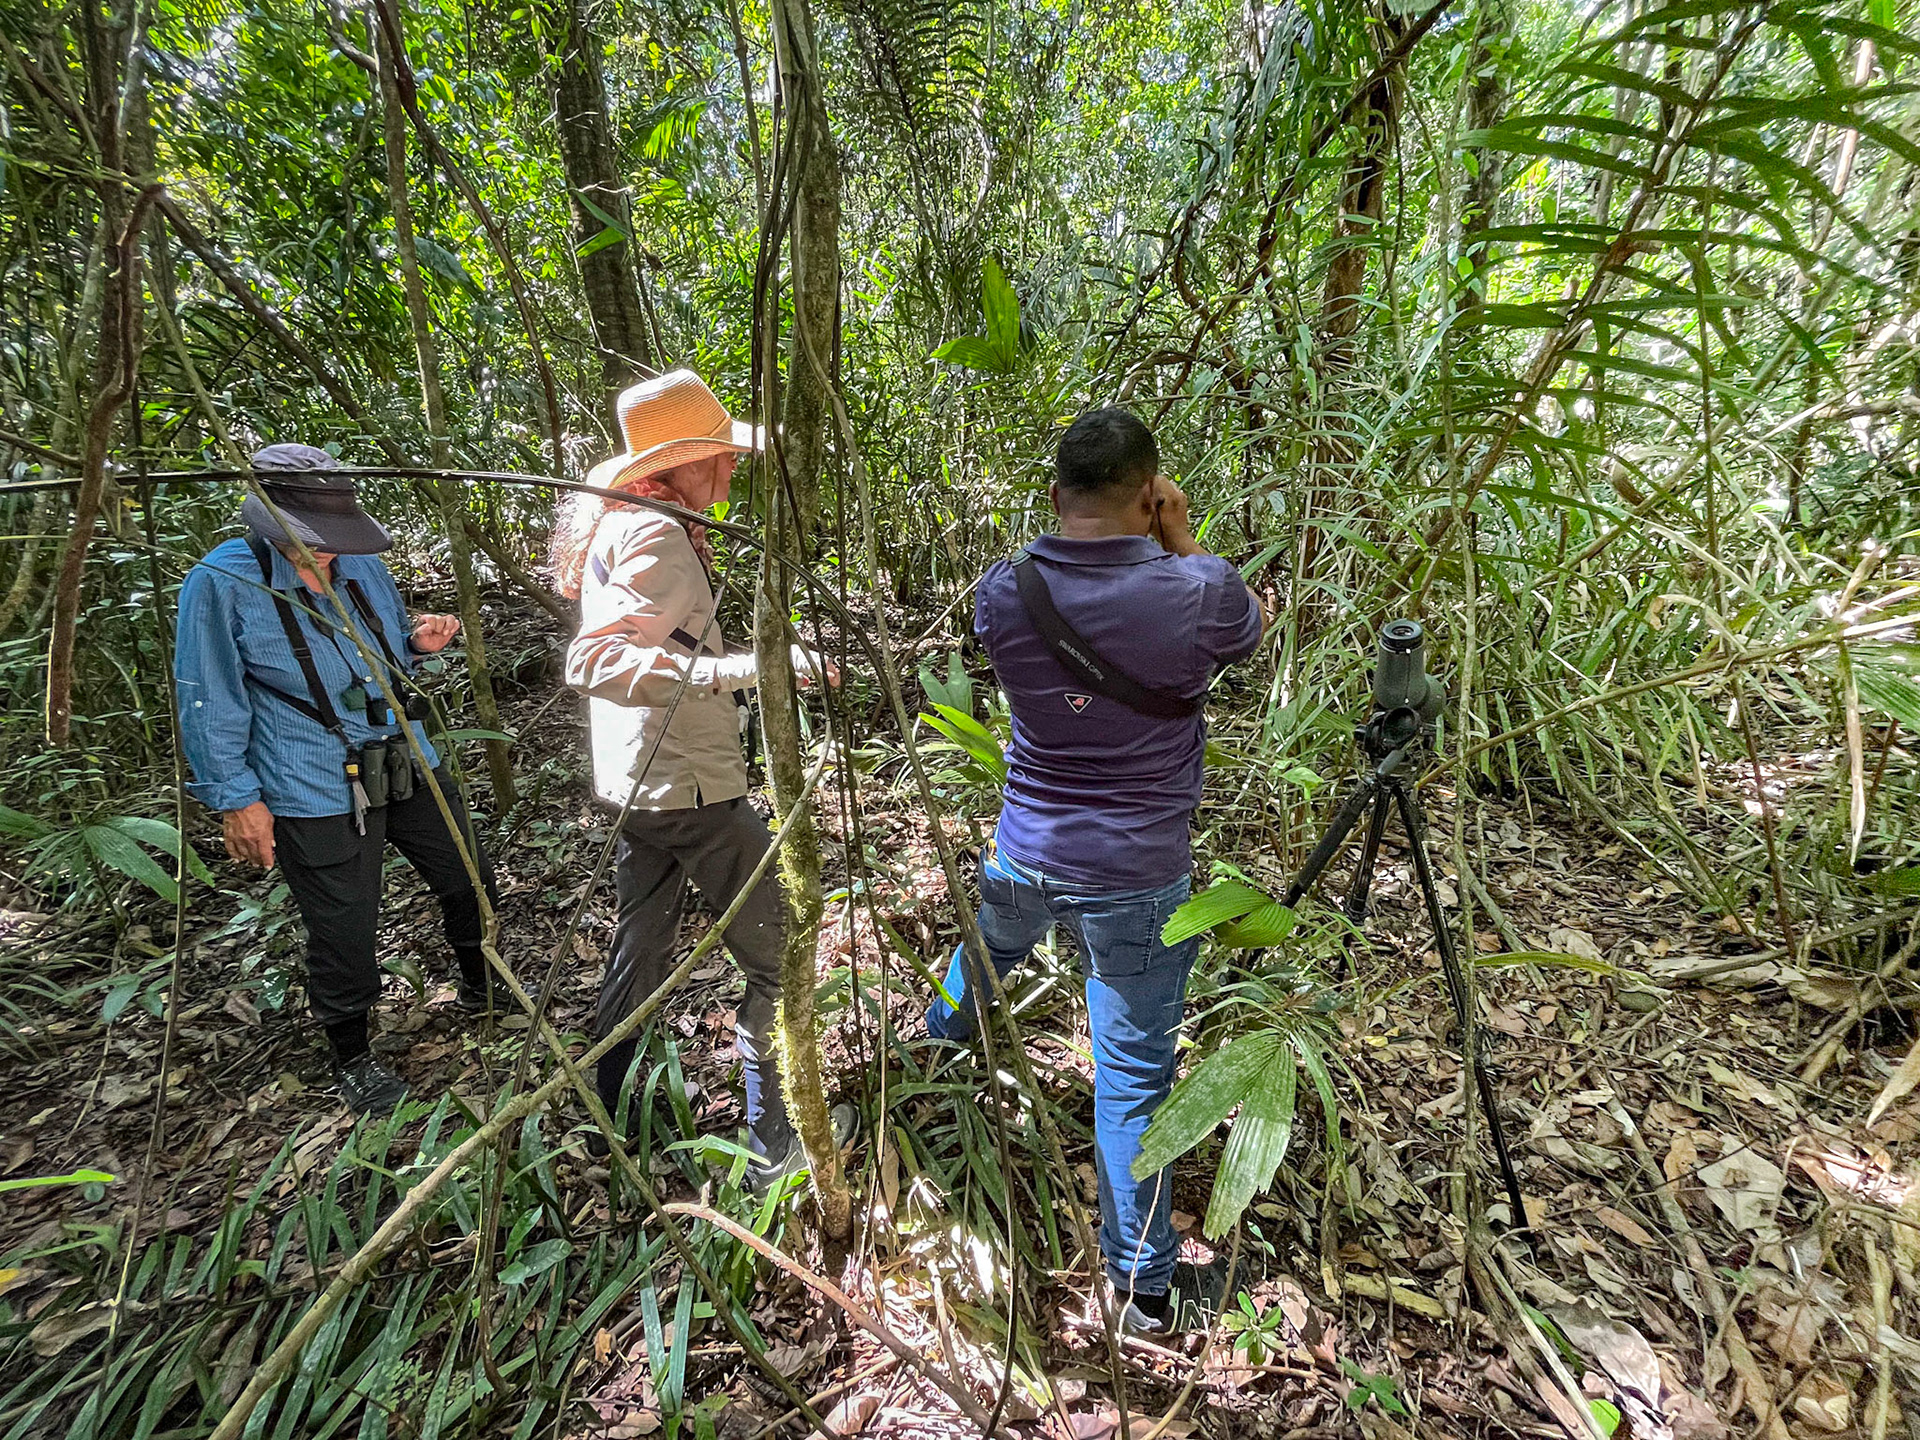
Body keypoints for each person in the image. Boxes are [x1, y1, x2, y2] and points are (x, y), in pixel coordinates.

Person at [923, 407, 1265, 1334]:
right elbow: (1246, 635)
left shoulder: (1003, 590)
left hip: (1026, 847)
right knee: (1132, 1074)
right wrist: (1183, 536)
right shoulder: (1200, 589)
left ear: (1053, 496)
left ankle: (933, 1050)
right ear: (1149, 495)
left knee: (988, 945)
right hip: (1139, 871)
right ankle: (1145, 1290)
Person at [553, 369, 846, 1189]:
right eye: (718, 454)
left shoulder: (633, 520)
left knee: (639, 952)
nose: (732, 467)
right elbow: (596, 658)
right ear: (677, 464)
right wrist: (757, 670)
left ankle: (615, 1114)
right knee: (780, 953)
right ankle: (775, 1143)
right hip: (690, 790)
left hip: (637, 783)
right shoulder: (657, 537)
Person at [176, 444, 510, 1116]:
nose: (323, 557)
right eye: (308, 546)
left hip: (403, 752)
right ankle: (353, 1055)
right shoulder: (220, 583)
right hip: (310, 777)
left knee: (468, 874)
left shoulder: (361, 563)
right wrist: (237, 798)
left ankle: (485, 988)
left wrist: (418, 648)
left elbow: (385, 656)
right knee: (344, 925)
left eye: (331, 544)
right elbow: (208, 698)